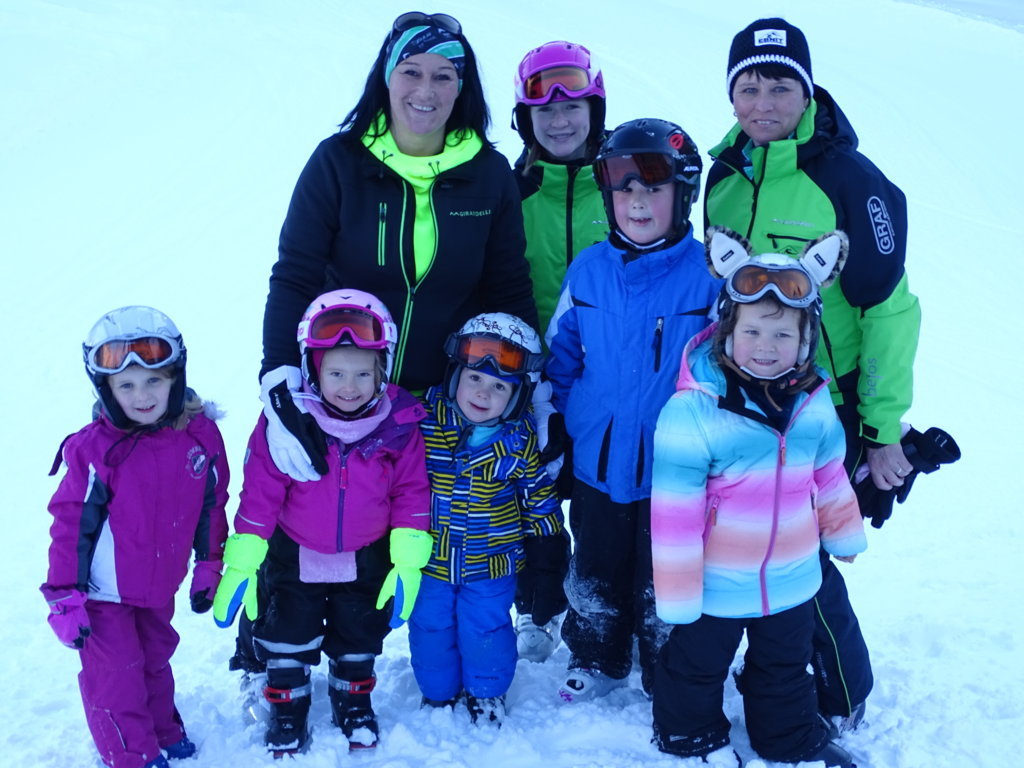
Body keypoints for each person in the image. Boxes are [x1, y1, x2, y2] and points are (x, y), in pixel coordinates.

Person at [230, 10, 539, 703]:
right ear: (387, 77)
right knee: (299, 508)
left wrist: (527, 384)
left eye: (444, 76)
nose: (426, 90)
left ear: (463, 86)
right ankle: (267, 649)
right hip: (335, 382)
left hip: (431, 394)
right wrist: (281, 375)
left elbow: (507, 285)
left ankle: (358, 660)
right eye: (412, 72)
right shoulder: (340, 162)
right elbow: (294, 273)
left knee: (386, 520)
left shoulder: (487, 174)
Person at [704, 17, 921, 732]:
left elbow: (891, 311)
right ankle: (782, 669)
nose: (763, 102)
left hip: (825, 404)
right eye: (749, 87)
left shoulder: (848, 181)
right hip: (745, 400)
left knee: (807, 556)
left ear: (807, 92)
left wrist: (881, 429)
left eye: (780, 86)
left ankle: (842, 690)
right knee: (761, 542)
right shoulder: (725, 175)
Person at [650, 229, 867, 768]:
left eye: (783, 334)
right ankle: (690, 735)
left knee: (785, 666)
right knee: (696, 666)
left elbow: (829, 475)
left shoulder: (813, 402)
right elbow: (674, 517)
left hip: (792, 576)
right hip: (716, 584)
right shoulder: (693, 411)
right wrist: (679, 594)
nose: (766, 346)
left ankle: (787, 737)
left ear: (806, 340)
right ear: (727, 329)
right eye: (751, 331)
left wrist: (842, 533)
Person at [545, 119, 722, 701]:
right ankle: (596, 652)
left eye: (653, 187)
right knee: (595, 562)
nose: (637, 201)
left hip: (674, 464)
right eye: (623, 189)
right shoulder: (589, 269)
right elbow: (562, 353)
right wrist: (562, 419)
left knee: (663, 571)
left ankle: (664, 660)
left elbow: (726, 369)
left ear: (684, 194)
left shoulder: (706, 277)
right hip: (597, 456)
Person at [212, 290, 431, 755]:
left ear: (382, 371)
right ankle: (287, 706)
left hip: (367, 553)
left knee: (359, 630)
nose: (349, 386)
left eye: (362, 374)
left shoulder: (399, 425)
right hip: (295, 551)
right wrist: (244, 560)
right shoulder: (289, 423)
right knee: (288, 628)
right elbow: (260, 493)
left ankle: (352, 698)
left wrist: (408, 559)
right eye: (336, 374)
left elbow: (411, 492)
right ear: (313, 370)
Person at [41, 306, 229, 768]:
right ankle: (131, 753)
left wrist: (209, 563)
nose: (142, 395)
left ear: (175, 378)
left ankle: (161, 728)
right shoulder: (95, 450)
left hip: (159, 586)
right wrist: (64, 595)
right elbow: (70, 524)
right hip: (104, 595)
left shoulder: (200, 437)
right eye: (126, 386)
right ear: (106, 389)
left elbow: (212, 504)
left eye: (153, 381)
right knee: (116, 675)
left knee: (154, 660)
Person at [409, 313, 564, 726]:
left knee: (486, 630)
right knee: (430, 627)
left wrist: (548, 560)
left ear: (517, 395)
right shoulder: (422, 424)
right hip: (430, 562)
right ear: (454, 375)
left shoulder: (520, 440)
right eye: (475, 378)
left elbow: (539, 501)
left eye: (499, 386)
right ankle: (437, 693)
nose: (483, 392)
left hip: (493, 564)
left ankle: (487, 691)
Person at [509, 39, 608, 663]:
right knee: (532, 498)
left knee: (602, 502)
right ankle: (537, 606)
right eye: (545, 110)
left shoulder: (625, 182)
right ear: (527, 119)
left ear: (596, 110)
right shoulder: (510, 191)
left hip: (607, 380)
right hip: (527, 377)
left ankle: (603, 606)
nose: (561, 120)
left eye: (574, 106)